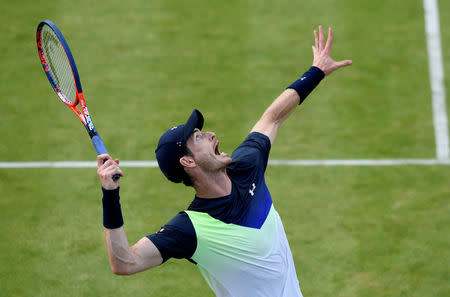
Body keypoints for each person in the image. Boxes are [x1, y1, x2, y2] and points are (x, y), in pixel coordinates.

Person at [97, 26, 352, 297]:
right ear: (188, 162)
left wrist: (316, 72)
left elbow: (272, 118)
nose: (211, 134)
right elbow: (125, 262)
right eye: (198, 137)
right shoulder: (191, 228)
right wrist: (109, 195)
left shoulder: (246, 167)